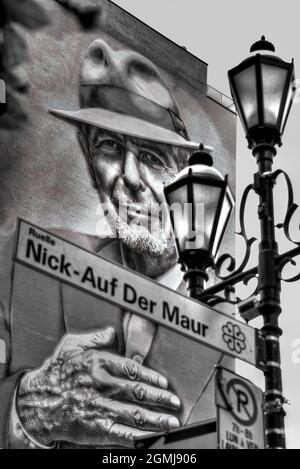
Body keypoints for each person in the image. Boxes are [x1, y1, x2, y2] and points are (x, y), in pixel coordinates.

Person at [0, 39, 218, 449]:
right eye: (110, 148)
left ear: (187, 179)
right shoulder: (22, 259)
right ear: (87, 154)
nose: (130, 177)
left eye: (153, 159)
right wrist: (28, 410)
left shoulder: (228, 318)